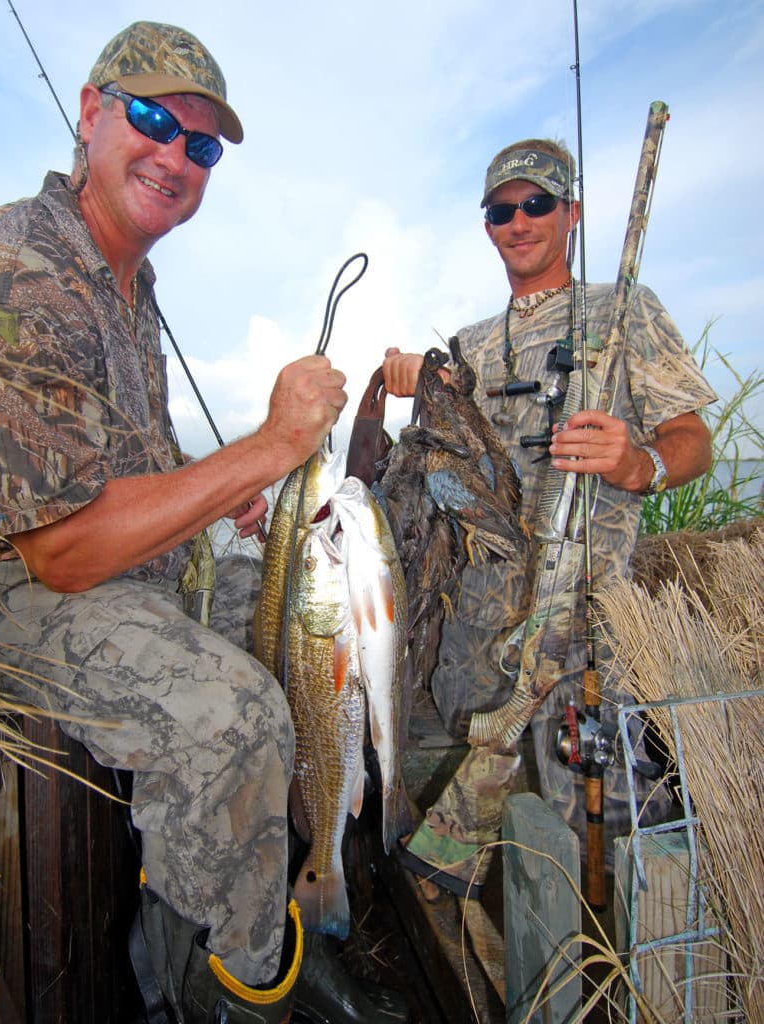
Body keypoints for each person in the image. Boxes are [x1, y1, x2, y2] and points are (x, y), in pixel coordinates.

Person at [0, 21, 407, 1024]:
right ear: (90, 112)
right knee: (235, 715)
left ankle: (277, 895)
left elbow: (129, 461)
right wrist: (266, 447)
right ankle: (232, 986)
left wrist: (224, 492)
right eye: (152, 119)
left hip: (97, 570)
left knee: (294, 610)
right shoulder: (7, 269)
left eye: (200, 145)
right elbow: (63, 546)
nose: (173, 155)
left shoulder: (129, 284)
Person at [382, 137, 716, 890]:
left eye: (536, 204)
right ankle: (496, 940)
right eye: (502, 210)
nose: (519, 222)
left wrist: (641, 463)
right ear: (487, 226)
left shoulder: (623, 311)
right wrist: (410, 381)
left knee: (606, 818)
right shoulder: (467, 346)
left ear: (570, 212)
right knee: (488, 822)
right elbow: (433, 474)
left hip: (584, 622)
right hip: (477, 629)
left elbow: (692, 439)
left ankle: (621, 964)